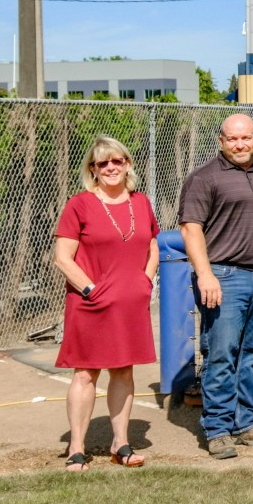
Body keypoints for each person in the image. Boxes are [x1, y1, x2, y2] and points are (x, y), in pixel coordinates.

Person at [179, 114, 253, 460]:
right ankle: (217, 429)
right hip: (223, 277)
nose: (239, 144)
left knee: (252, 357)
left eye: (245, 138)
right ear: (221, 141)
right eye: (232, 139)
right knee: (221, 355)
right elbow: (190, 228)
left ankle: (246, 423)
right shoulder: (205, 177)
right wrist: (205, 274)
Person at [53, 136, 160, 471]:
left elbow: (152, 245)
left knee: (124, 371)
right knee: (85, 373)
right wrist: (90, 290)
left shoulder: (141, 202)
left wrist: (145, 280)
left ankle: (121, 443)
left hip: (130, 304)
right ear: (93, 170)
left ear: (127, 164)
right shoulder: (79, 205)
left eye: (117, 160)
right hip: (91, 304)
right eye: (103, 163)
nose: (111, 167)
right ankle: (77, 448)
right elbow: (62, 259)